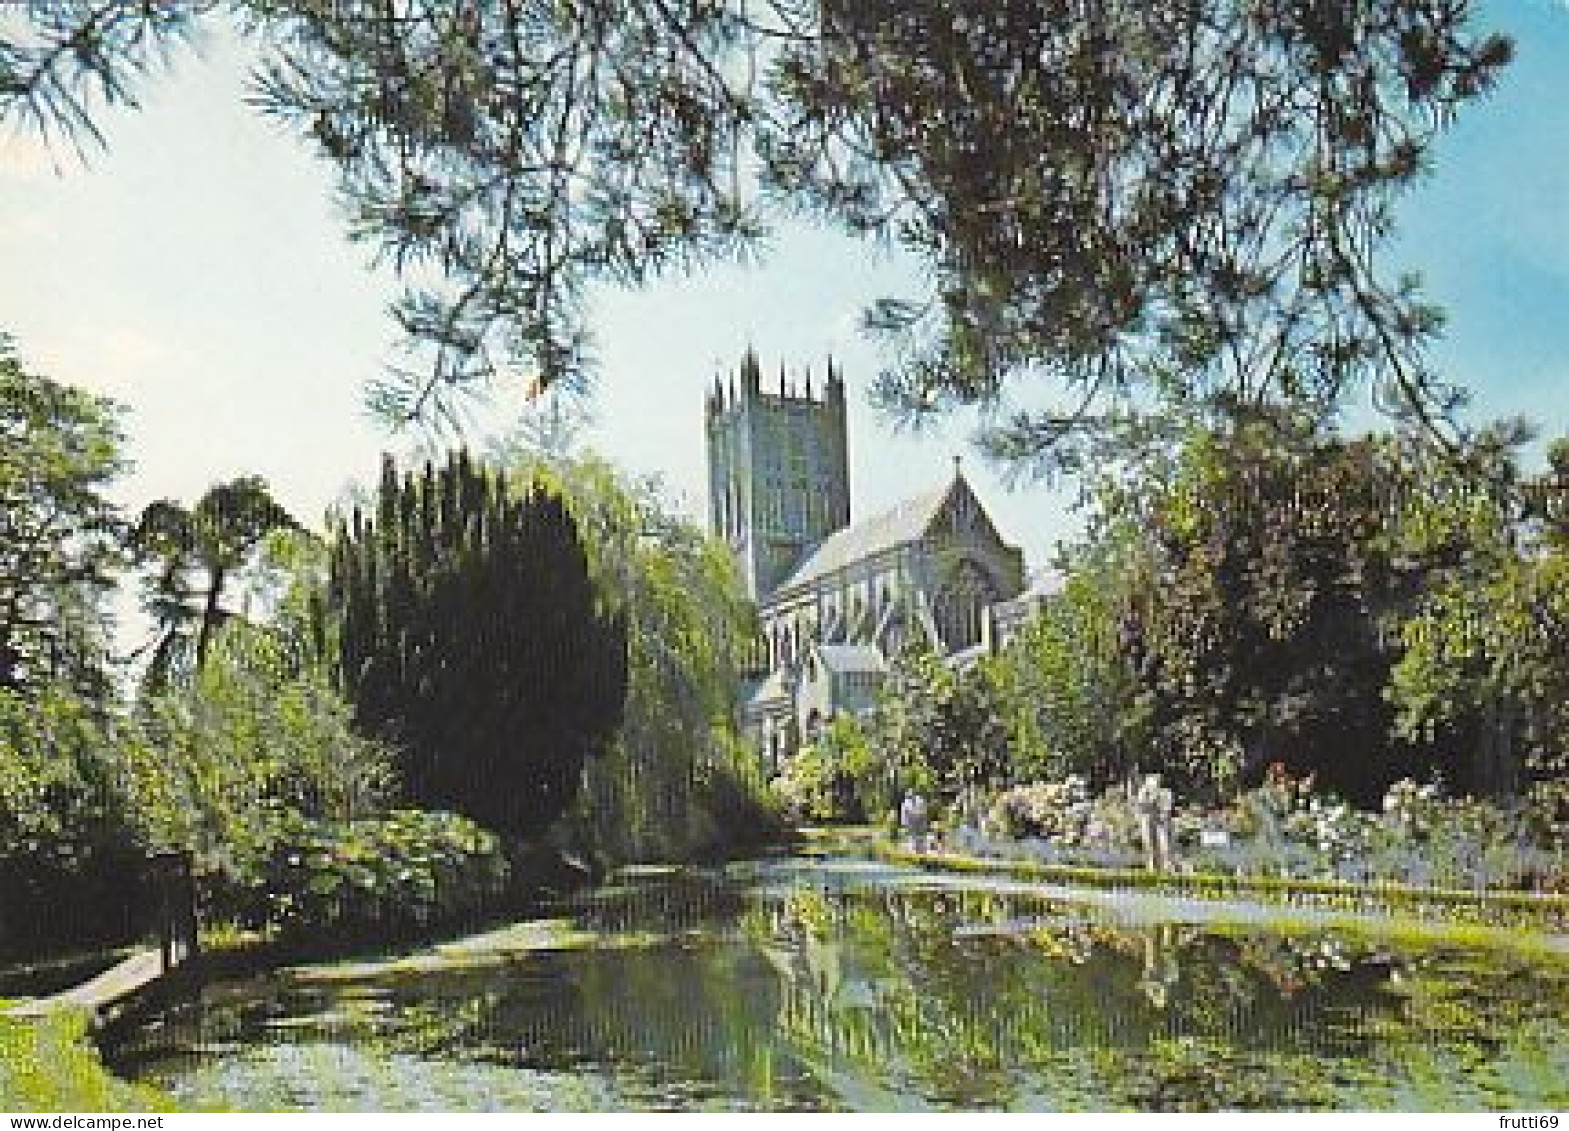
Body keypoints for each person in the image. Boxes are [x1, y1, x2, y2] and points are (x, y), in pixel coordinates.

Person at [1133, 773, 1175, 871]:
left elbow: (1167, 809)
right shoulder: (1143, 792)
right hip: (1147, 820)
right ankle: (1151, 867)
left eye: (1155, 784)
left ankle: (1165, 866)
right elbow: (1140, 806)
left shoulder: (1165, 793)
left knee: (1164, 845)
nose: (1153, 787)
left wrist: (1159, 807)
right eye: (1151, 784)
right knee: (1148, 844)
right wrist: (1149, 800)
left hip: (1161, 821)